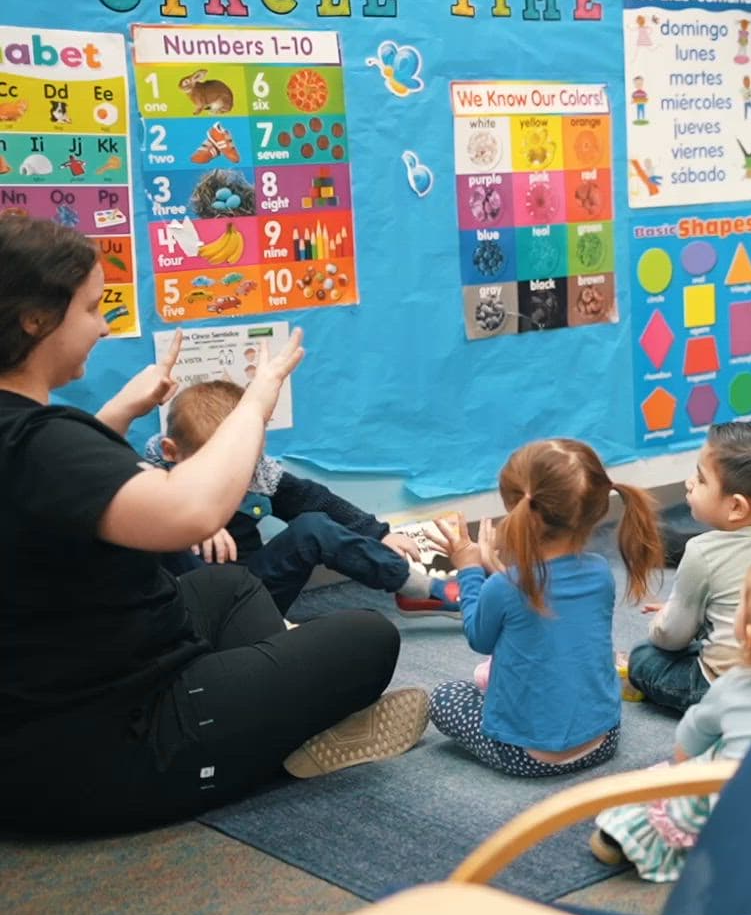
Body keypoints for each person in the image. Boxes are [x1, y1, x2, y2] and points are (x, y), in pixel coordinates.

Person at [0, 215, 422, 834]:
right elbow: (189, 512)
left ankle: (273, 712)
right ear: (36, 319)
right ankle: (280, 734)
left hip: (45, 721)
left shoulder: (28, 434)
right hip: (109, 747)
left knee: (225, 587)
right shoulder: (42, 441)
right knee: (368, 636)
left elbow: (57, 490)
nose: (105, 325)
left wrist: (118, 412)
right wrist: (258, 399)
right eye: (93, 309)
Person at [423, 438, 664, 777]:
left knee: (445, 696)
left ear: (515, 505)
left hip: (524, 754)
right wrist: (500, 572)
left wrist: (469, 568)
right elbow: (549, 606)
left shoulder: (503, 587)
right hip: (604, 739)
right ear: (595, 510)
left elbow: (479, 637)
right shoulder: (600, 573)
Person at [590, 550, 751, 880]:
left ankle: (625, 838)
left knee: (657, 786)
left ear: (748, 631)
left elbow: (684, 750)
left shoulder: (733, 686)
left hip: (741, 818)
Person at [145, 379, 450, 616]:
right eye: (217, 466)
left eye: (243, 462)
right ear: (172, 452)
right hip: (194, 609)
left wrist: (377, 535)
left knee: (312, 526)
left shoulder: (258, 474)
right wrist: (191, 521)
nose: (233, 476)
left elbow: (313, 500)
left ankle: (416, 588)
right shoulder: (149, 485)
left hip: (253, 591)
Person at [630, 422, 751, 712]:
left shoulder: (702, 551)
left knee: (643, 657)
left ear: (737, 507)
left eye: (700, 479)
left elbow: (671, 638)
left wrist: (663, 620)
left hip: (726, 688)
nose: (689, 483)